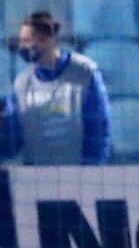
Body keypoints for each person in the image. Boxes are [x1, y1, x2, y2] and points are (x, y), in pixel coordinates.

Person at [1, 11, 111, 165]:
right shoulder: (21, 84)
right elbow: (12, 140)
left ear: (46, 40)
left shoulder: (84, 73)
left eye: (26, 41)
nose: (21, 47)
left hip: (79, 173)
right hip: (35, 176)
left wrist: (91, 171)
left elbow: (99, 130)